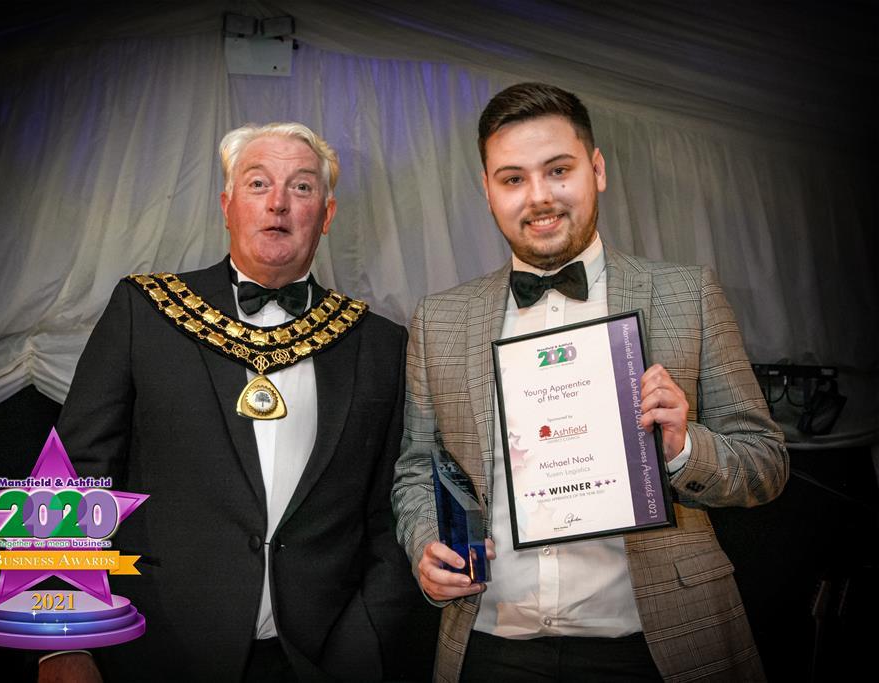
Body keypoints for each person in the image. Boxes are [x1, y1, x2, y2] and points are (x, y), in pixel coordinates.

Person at [392, 82, 788, 682]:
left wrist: (682, 448)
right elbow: (419, 469)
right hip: (492, 643)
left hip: (656, 644)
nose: (539, 197)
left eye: (558, 170)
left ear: (596, 170)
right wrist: (427, 543)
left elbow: (766, 464)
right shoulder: (440, 318)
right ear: (488, 190)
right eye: (513, 178)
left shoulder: (686, 293)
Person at [40, 122, 431, 681]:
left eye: (301, 188)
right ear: (226, 205)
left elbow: (389, 515)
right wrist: (61, 641)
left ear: (327, 213)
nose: (278, 204)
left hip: (316, 661)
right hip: (152, 652)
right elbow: (71, 480)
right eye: (257, 184)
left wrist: (363, 641)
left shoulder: (379, 344)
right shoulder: (145, 313)